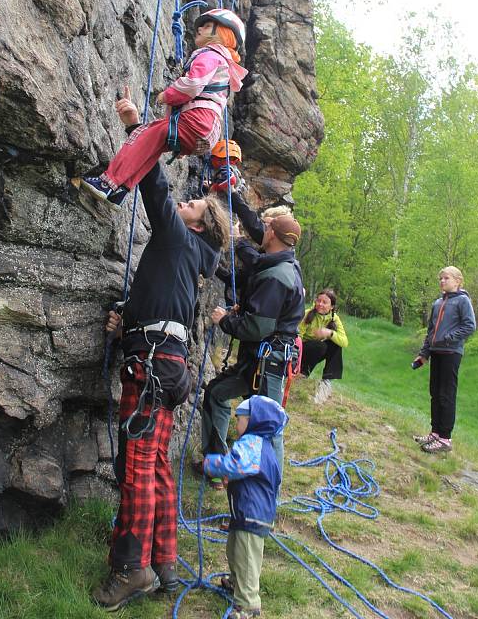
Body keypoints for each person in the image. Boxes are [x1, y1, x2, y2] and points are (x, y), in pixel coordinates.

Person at [92, 98, 231, 611]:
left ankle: (132, 569)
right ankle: (165, 562)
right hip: (168, 367)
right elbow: (160, 298)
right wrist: (128, 317)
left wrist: (135, 125)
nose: (186, 203)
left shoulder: (177, 236)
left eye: (194, 206)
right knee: (158, 469)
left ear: (197, 223)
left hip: (151, 366)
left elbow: (153, 186)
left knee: (136, 468)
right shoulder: (192, 256)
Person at [81, 9, 248, 210]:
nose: (200, 28)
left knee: (145, 135)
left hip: (198, 121)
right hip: (205, 129)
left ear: (221, 32)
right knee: (156, 142)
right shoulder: (223, 65)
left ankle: (107, 183)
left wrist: (166, 94)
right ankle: (120, 191)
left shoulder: (211, 55)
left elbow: (193, 85)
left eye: (206, 25)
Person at [204, 209, 304, 481]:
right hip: (258, 360)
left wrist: (225, 320)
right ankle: (218, 467)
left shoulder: (277, 275)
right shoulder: (281, 265)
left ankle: (266, 492)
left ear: (271, 234)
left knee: (268, 424)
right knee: (216, 393)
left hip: (268, 362)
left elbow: (257, 327)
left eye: (267, 227)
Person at [204, 396, 288, 619]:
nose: (235, 422)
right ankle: (236, 583)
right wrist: (232, 479)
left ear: (254, 421)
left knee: (247, 559)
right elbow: (247, 471)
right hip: (246, 513)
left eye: (239, 418)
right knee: (235, 551)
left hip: (252, 513)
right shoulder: (260, 444)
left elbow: (236, 465)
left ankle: (248, 604)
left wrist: (211, 465)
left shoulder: (252, 443)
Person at [412, 266, 476, 454]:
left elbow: (469, 326)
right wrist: (424, 353)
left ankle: (445, 439)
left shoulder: (463, 301)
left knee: (446, 395)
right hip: (436, 353)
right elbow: (431, 331)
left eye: (446, 278)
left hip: (451, 354)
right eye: (440, 278)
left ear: (457, 281)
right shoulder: (438, 303)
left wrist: (448, 338)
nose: (442, 281)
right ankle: (435, 434)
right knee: (435, 393)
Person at [298, 289, 348, 405]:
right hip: (301, 351)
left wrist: (329, 333)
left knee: (336, 344)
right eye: (318, 301)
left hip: (317, 350)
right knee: (319, 346)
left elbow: (344, 342)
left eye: (324, 302)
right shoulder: (307, 314)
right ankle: (302, 373)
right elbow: (297, 336)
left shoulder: (334, 318)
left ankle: (327, 381)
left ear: (331, 306)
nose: (320, 304)